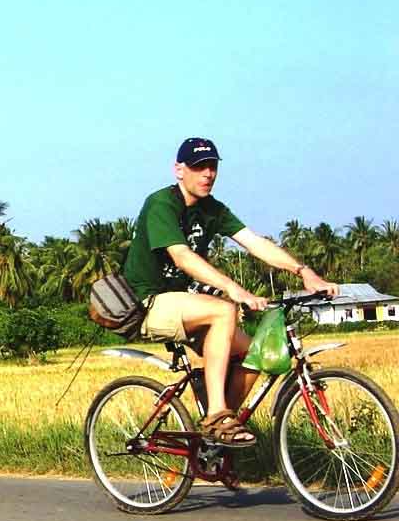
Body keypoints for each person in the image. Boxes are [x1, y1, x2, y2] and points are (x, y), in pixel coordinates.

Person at [122, 137, 338, 446]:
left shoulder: (213, 210)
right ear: (179, 170)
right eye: (198, 167)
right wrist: (234, 290)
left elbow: (255, 243)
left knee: (256, 354)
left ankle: (219, 432)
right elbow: (182, 257)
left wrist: (305, 273)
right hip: (149, 302)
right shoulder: (161, 204)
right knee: (224, 309)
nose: (207, 174)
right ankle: (217, 413)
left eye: (212, 166)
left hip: (184, 304)